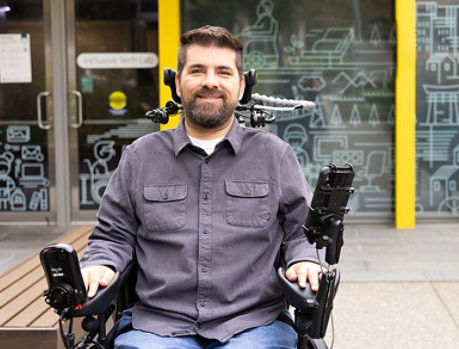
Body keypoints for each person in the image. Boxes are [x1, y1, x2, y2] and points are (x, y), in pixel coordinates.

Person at [80, 25, 322, 349]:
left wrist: (306, 259)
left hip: (253, 324)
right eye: (197, 70)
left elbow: (302, 232)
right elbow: (112, 235)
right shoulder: (141, 156)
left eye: (223, 71)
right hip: (158, 325)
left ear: (242, 85)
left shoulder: (275, 155)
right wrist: (99, 264)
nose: (210, 81)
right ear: (177, 83)